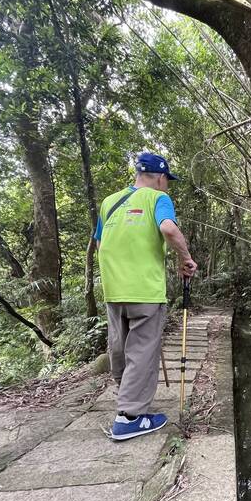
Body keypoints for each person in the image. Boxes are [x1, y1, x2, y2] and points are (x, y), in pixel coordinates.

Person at [93, 151, 197, 440]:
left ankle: (127, 398)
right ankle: (130, 417)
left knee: (120, 346)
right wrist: (185, 259)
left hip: (114, 290)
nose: (167, 186)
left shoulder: (109, 202)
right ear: (161, 177)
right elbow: (168, 228)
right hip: (145, 290)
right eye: (167, 181)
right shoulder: (158, 199)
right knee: (142, 351)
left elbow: (101, 244)